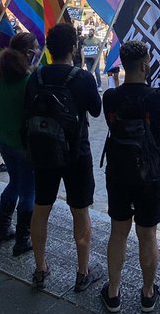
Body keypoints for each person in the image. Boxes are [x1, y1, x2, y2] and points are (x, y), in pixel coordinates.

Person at [99, 40, 160, 314]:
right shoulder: (158, 98)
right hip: (152, 175)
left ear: (123, 65)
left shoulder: (110, 97)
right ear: (146, 65)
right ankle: (148, 293)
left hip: (118, 173)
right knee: (147, 235)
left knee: (118, 232)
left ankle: (113, 292)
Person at [24, 22, 102, 291]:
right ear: (73, 47)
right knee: (80, 212)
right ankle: (82, 272)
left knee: (41, 209)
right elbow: (95, 111)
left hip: (43, 152)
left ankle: (40, 267)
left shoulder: (37, 76)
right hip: (76, 154)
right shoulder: (82, 78)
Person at [0, 33, 39, 253]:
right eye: (35, 49)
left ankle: (2, 230)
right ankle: (22, 240)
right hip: (24, 143)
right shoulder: (29, 80)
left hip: (5, 140)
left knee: (13, 184)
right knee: (29, 191)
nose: (37, 52)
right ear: (28, 52)